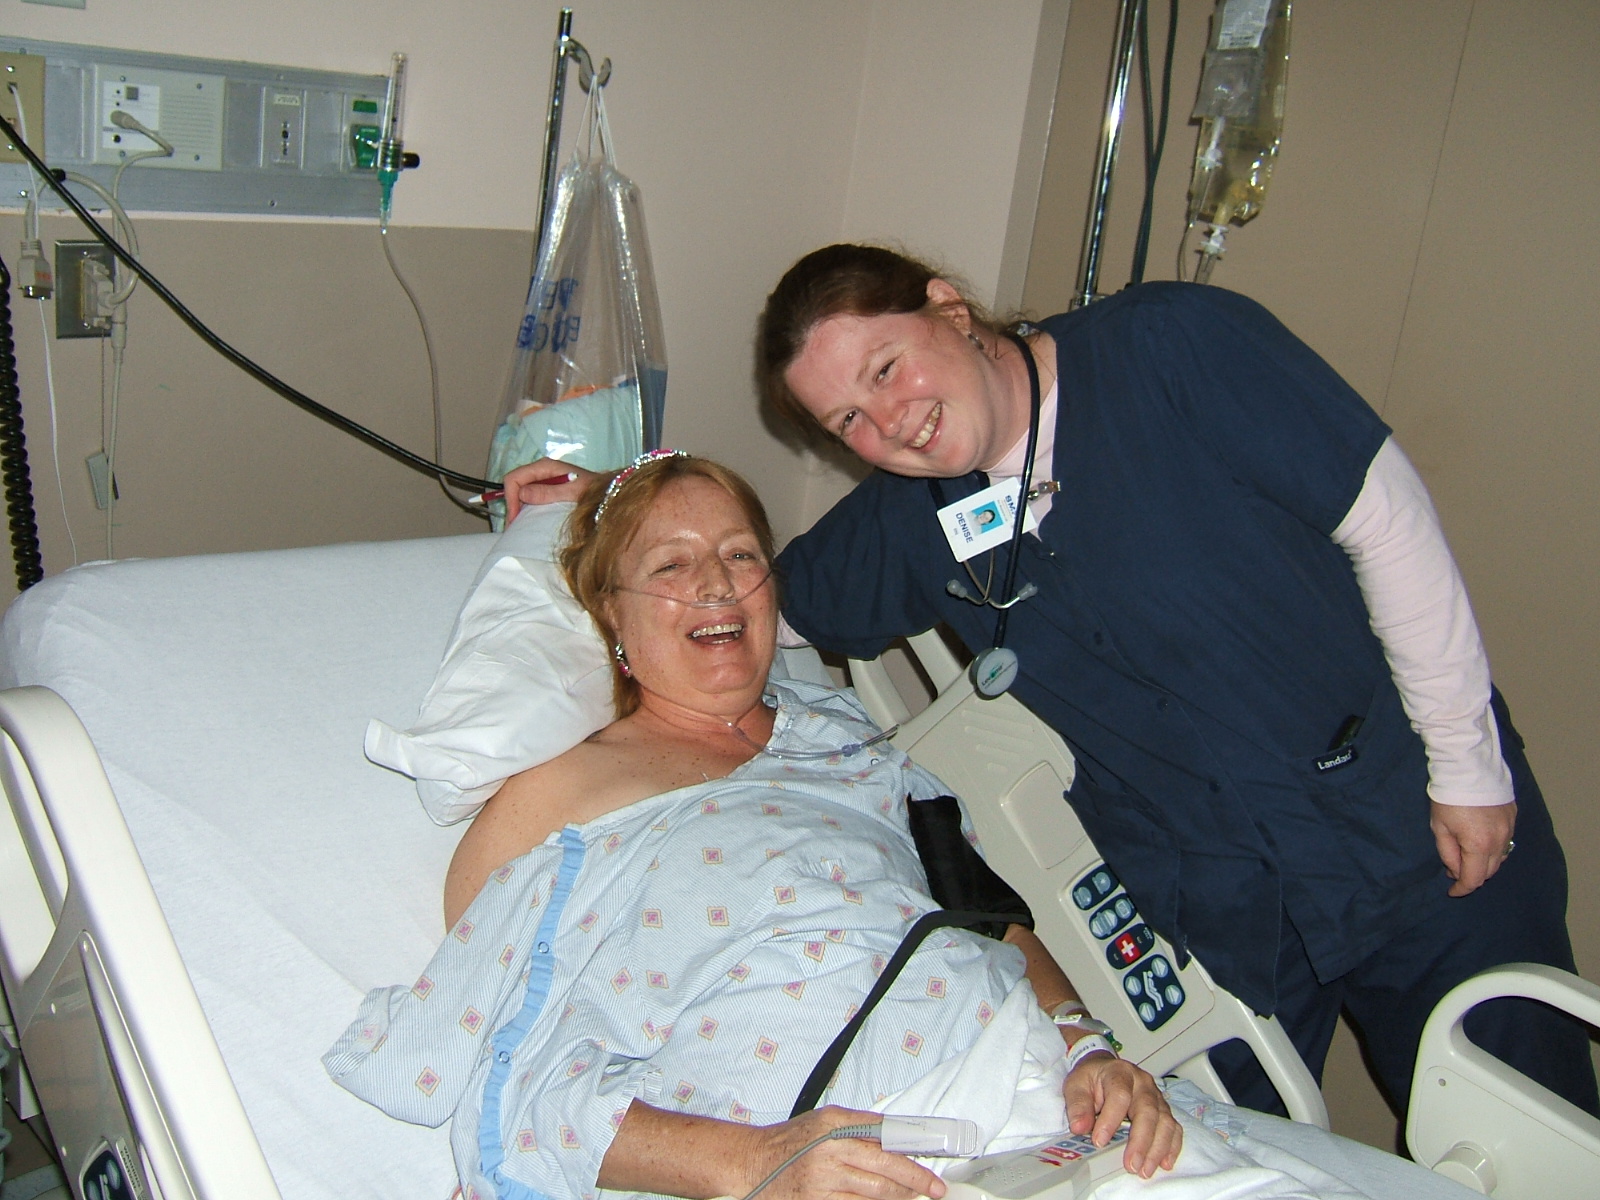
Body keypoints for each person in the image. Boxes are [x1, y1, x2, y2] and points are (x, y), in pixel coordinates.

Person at [501, 247, 1597, 1124]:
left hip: (1407, 823)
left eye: (885, 369)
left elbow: (1387, 518)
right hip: (1218, 913)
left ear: (947, 306)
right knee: (1215, 1156)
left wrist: (1466, 763)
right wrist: (611, 506)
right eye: (847, 422)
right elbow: (737, 596)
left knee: (1522, 1121)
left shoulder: (1172, 345)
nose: (889, 424)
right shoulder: (914, 514)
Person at [328, 452, 1181, 1200]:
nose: (716, 583)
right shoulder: (559, 796)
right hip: (834, 1156)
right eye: (672, 564)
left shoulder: (843, 733)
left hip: (1047, 1110)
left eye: (740, 555)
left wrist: (1086, 1046)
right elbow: (523, 1079)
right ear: (612, 619)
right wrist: (759, 1161)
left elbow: (984, 908)